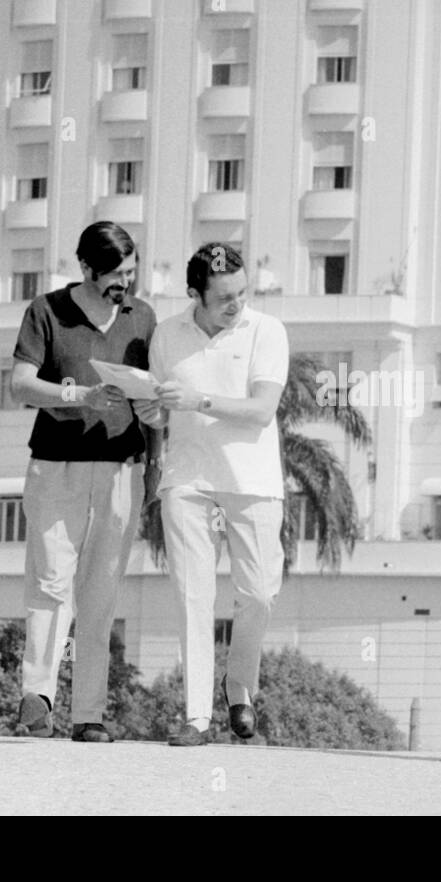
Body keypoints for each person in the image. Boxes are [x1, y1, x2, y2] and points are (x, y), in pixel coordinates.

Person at [134, 243, 289, 747]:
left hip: (254, 480)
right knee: (191, 596)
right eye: (224, 296)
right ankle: (196, 716)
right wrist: (153, 415)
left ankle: (238, 686)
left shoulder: (267, 331)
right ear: (195, 293)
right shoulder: (166, 336)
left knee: (260, 594)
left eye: (242, 293)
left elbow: (261, 410)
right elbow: (160, 409)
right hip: (188, 479)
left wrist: (197, 399)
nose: (236, 304)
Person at [10, 221, 157, 743]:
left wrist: (155, 426)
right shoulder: (46, 310)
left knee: (101, 594)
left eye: (132, 270)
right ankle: (37, 701)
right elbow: (20, 385)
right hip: (56, 466)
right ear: (87, 269)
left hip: (122, 470)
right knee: (50, 584)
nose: (126, 281)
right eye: (116, 273)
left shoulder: (143, 318)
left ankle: (87, 715)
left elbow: (150, 400)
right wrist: (81, 397)